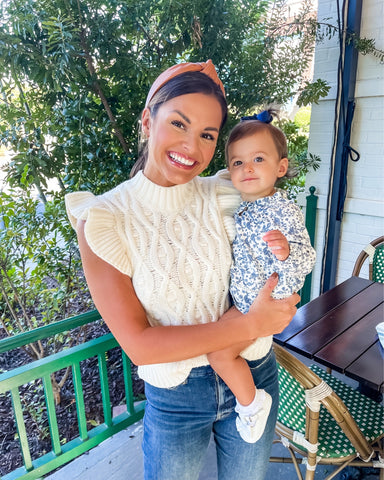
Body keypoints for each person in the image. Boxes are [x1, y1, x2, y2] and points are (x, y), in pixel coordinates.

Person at [65, 60, 300, 480]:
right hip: (177, 397)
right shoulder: (105, 219)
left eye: (208, 134)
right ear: (147, 119)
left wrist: (285, 278)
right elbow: (140, 345)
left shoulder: (226, 191)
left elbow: (283, 226)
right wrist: (251, 322)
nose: (192, 146)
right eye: (178, 123)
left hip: (254, 369)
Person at [207, 108, 316, 444]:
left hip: (265, 301)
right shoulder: (242, 205)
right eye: (237, 162)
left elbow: (307, 258)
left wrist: (285, 251)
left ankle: (252, 403)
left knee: (219, 354)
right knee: (215, 344)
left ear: (280, 168)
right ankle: (251, 400)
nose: (247, 168)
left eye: (258, 159)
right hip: (246, 300)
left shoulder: (283, 209)